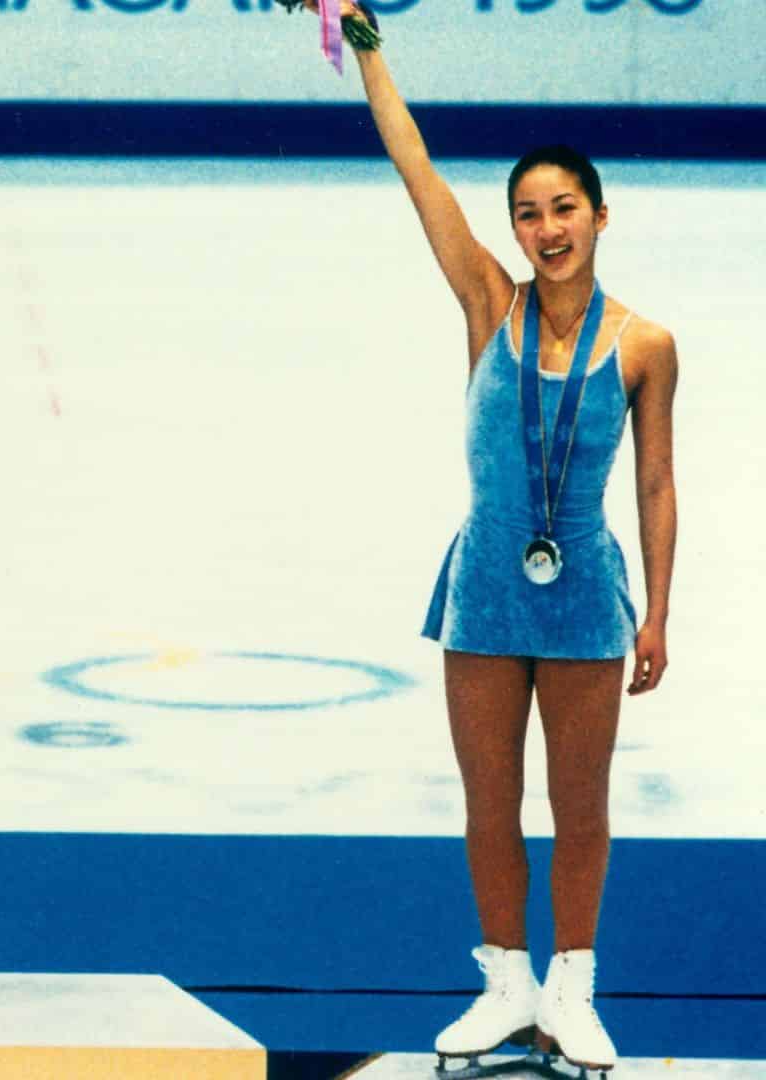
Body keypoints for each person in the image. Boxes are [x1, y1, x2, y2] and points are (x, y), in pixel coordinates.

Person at [326, 4, 678, 1074]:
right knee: (489, 800)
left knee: (580, 806)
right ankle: (505, 985)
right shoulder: (489, 303)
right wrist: (365, 42)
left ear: (601, 216)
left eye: (564, 208)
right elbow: (415, 167)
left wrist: (659, 612)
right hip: (484, 582)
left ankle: (572, 989)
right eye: (527, 214)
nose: (547, 229)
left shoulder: (645, 344)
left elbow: (657, 481)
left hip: (584, 594)